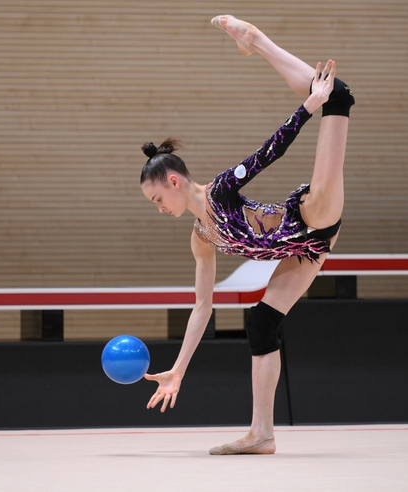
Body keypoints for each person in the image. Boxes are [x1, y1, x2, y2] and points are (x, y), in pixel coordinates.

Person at [139, 15, 354, 455]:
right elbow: (203, 307)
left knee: (337, 96)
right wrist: (178, 369)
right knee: (261, 322)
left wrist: (310, 106)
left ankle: (258, 40)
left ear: (175, 182)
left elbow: (267, 153)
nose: (160, 210)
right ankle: (262, 434)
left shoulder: (219, 190)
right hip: (307, 250)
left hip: (311, 214)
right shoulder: (201, 237)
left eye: (158, 199)